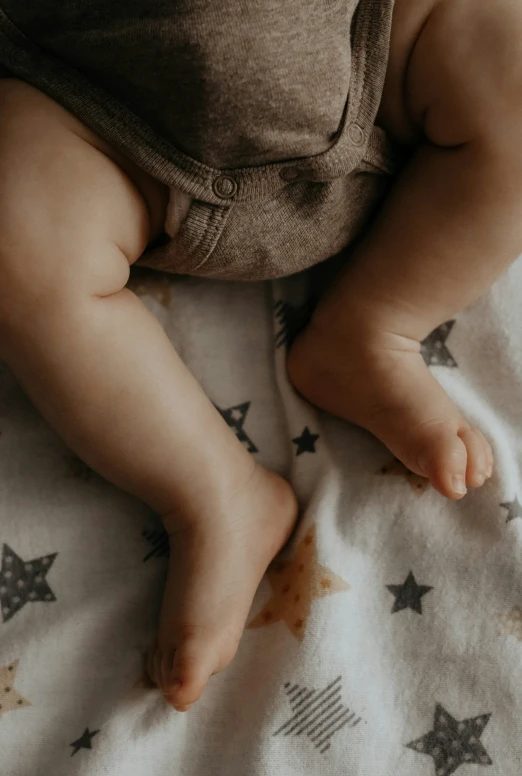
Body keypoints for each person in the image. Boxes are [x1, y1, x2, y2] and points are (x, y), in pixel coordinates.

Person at [1, 0, 517, 710]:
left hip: (369, 44)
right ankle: (213, 491)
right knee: (16, 238)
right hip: (105, 109)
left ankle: (374, 325)